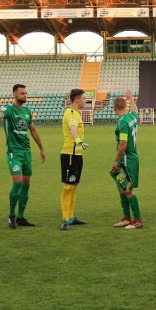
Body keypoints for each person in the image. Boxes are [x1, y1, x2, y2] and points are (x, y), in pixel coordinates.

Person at [0, 84, 46, 228]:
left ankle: (21, 217)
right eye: (22, 93)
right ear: (15, 95)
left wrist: (41, 148)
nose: (25, 95)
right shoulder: (9, 109)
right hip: (14, 152)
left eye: (26, 93)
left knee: (26, 183)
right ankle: (11, 216)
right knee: (18, 181)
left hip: (26, 152)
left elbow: (33, 130)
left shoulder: (27, 111)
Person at [111, 90, 143, 229]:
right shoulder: (131, 116)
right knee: (121, 187)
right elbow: (135, 110)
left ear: (114, 108)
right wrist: (131, 98)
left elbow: (123, 144)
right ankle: (126, 218)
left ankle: (137, 220)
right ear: (126, 106)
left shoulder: (122, 123)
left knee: (128, 189)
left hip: (126, 159)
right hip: (130, 157)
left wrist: (116, 161)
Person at [60, 89, 89, 230]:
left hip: (77, 155)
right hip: (69, 155)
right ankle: (65, 219)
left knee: (74, 186)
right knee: (68, 187)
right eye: (84, 98)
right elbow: (73, 129)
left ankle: (71, 216)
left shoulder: (76, 114)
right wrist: (77, 140)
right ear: (77, 100)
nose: (86, 101)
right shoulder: (71, 114)